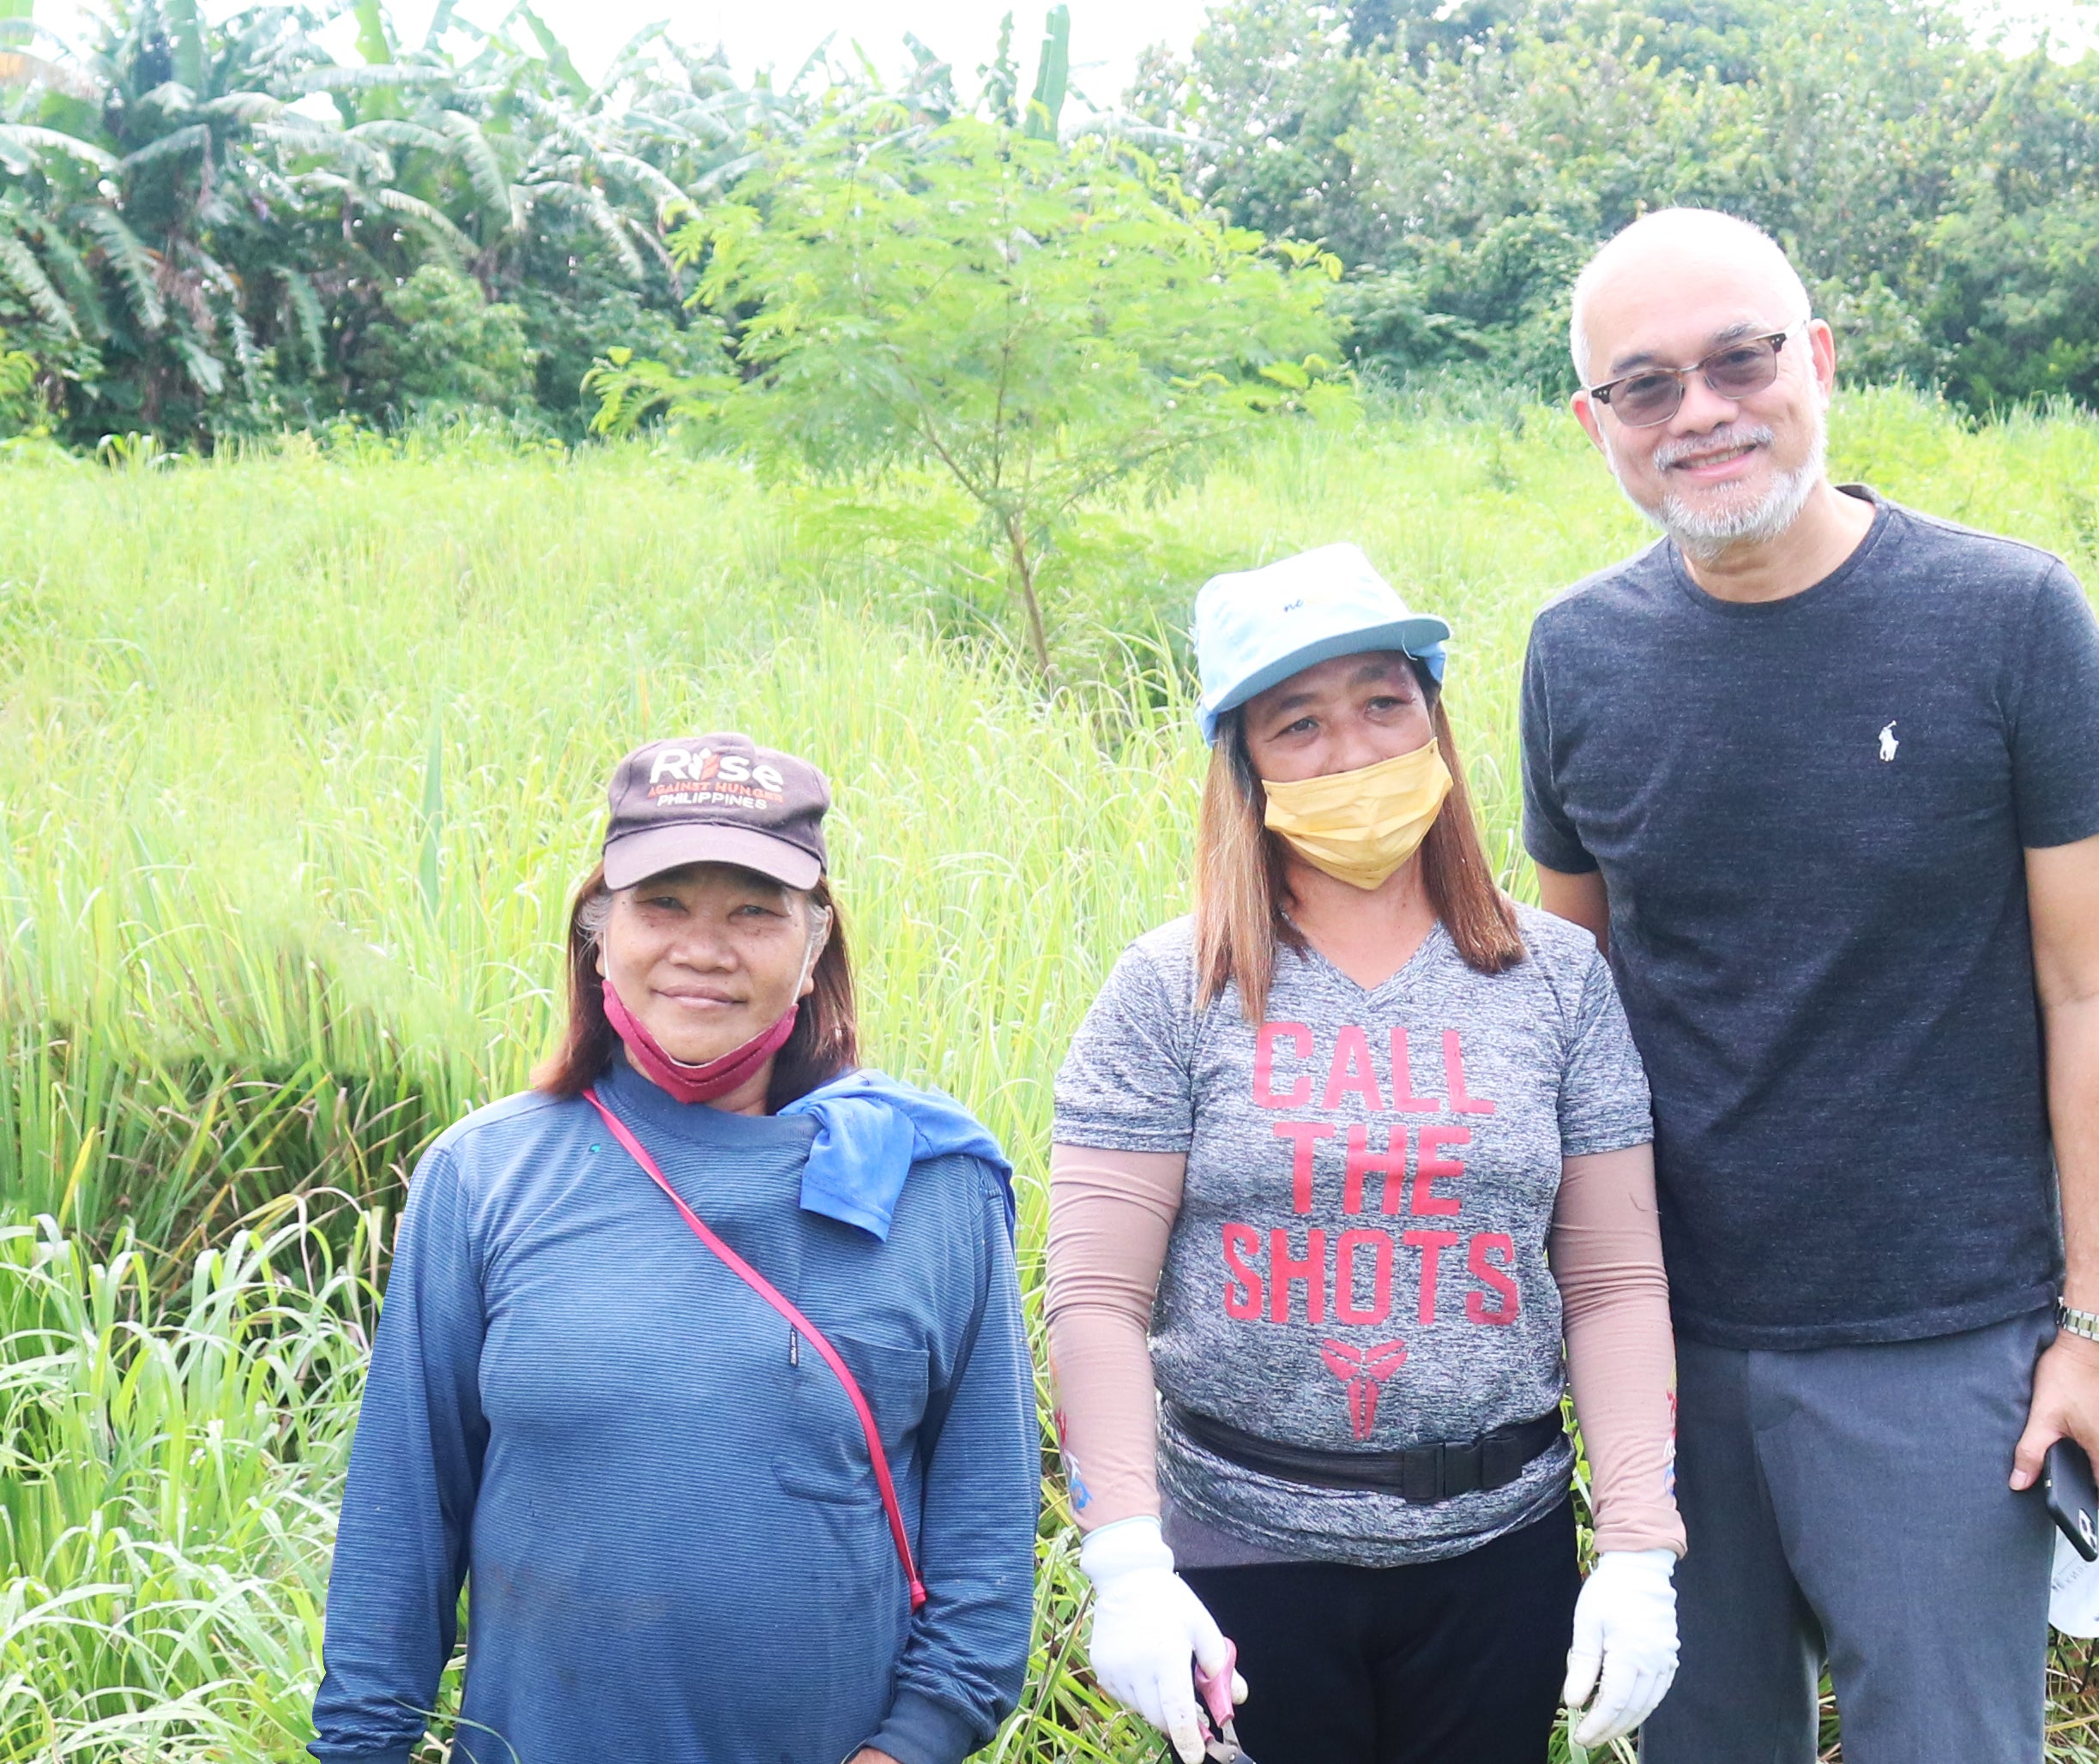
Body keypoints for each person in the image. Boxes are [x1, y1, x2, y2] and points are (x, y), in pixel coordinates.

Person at [1522, 207, 2099, 1763]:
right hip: (1671, 1351)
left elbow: (2096, 992)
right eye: (1645, 386)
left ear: (1814, 358)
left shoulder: (2007, 617)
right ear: (1593, 420)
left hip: (1945, 1352)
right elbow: (1572, 1010)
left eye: (1740, 360)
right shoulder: (1576, 654)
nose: (1703, 414)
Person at [1045, 544, 1686, 1764]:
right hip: (1243, 1547)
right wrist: (1125, 1557)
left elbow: (1612, 1282)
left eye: (1383, 704)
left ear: (1434, 722)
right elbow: (1095, 1296)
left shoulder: (1552, 977)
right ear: (1244, 763)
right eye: (1299, 724)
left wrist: (1640, 1549)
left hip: (1497, 1547)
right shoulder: (1169, 989)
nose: (1354, 752)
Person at [310, 732, 1038, 1764]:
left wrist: (909, 1745)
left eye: (753, 910)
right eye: (663, 905)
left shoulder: (933, 1181)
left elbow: (987, 1550)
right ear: (598, 928)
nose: (704, 948)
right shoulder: (485, 1177)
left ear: (817, 936)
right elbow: (402, 1525)